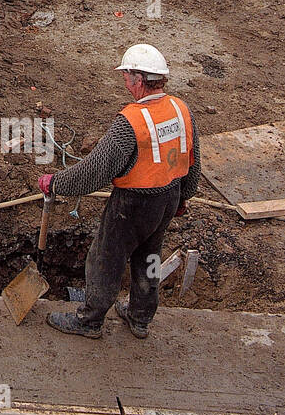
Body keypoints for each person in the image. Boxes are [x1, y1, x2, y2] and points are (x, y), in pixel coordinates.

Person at [39, 44, 199, 340]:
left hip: (133, 205)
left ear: (139, 80)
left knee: (105, 259)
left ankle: (90, 321)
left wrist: (56, 183)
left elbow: (93, 172)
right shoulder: (180, 109)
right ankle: (140, 318)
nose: (125, 82)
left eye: (126, 76)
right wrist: (183, 197)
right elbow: (192, 158)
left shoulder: (131, 122)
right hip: (168, 198)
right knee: (149, 258)